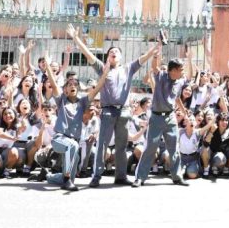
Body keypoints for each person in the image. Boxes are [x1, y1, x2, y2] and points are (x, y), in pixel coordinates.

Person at [66, 24, 160, 188]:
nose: (113, 53)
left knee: (122, 146)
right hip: (108, 111)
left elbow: (144, 58)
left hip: (123, 112)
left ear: (121, 57)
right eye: (110, 52)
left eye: (116, 52)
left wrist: (156, 47)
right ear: (107, 57)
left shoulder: (128, 68)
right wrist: (76, 38)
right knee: (102, 144)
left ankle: (121, 176)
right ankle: (96, 176)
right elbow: (88, 55)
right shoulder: (103, 68)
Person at [44, 61, 110, 192]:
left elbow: (97, 88)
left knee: (72, 162)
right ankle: (67, 180)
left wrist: (106, 72)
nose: (73, 86)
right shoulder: (61, 99)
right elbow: (52, 81)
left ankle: (49, 175)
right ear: (65, 90)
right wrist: (47, 62)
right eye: (69, 84)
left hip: (73, 142)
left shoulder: (83, 101)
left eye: (75, 84)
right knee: (72, 147)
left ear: (78, 88)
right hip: (59, 138)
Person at [132, 46, 190, 187]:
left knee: (173, 148)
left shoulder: (180, 81)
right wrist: (156, 55)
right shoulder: (161, 76)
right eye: (181, 69)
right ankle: (140, 178)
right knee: (150, 147)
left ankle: (177, 177)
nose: (183, 72)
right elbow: (154, 66)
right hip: (156, 118)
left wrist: (183, 110)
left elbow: (176, 98)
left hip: (170, 117)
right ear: (173, 70)